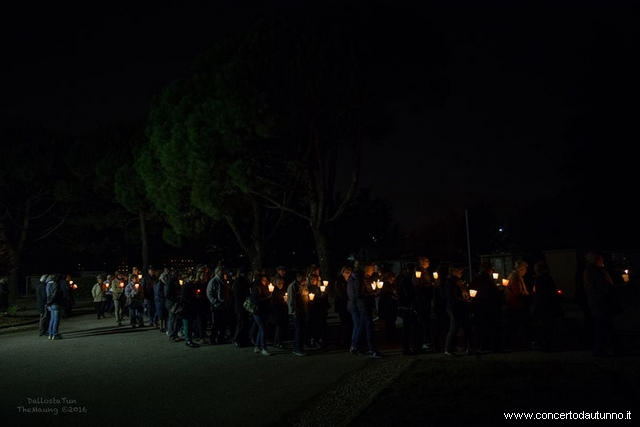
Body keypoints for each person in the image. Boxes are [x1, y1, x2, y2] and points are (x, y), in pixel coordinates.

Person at [583, 251, 621, 356]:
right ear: (595, 260)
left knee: (605, 326)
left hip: (598, 303)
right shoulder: (595, 272)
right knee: (602, 326)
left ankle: (614, 347)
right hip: (601, 303)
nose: (602, 261)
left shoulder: (592, 271)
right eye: (600, 259)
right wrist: (613, 289)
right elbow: (604, 288)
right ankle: (601, 349)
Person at [348, 260, 383, 358]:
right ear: (366, 269)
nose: (373, 269)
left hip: (365, 304)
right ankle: (372, 349)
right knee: (369, 327)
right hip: (363, 305)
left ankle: (355, 346)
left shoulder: (365, 277)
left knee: (363, 326)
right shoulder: (360, 278)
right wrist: (373, 294)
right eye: (371, 267)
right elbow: (359, 294)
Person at [470, 262, 504, 353]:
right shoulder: (487, 280)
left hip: (479, 307)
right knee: (492, 326)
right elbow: (493, 293)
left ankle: (483, 344)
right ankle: (493, 345)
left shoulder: (476, 280)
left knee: (481, 327)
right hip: (489, 307)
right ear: (489, 270)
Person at [530, 261, 564, 352]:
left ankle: (546, 345)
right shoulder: (546, 278)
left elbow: (539, 294)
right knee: (548, 326)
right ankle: (548, 345)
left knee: (545, 327)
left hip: (544, 306)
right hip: (549, 306)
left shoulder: (540, 279)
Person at [444, 264, 475, 356]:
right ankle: (448, 348)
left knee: (467, 327)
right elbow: (452, 297)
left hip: (463, 307)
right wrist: (463, 300)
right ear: (453, 272)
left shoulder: (459, 281)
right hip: (455, 308)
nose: (461, 273)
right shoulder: (449, 282)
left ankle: (469, 348)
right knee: (454, 328)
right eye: (459, 271)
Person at [505, 260, 534, 350]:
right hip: (517, 306)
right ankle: (522, 343)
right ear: (521, 269)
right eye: (525, 269)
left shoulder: (516, 277)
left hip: (516, 305)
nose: (525, 271)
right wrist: (531, 294)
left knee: (516, 325)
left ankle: (515, 343)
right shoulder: (515, 278)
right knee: (522, 324)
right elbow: (518, 293)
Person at [414, 256, 436, 351]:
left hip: (426, 297)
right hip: (422, 298)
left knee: (426, 319)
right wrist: (429, 285)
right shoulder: (418, 271)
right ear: (421, 262)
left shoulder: (427, 271)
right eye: (427, 261)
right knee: (423, 319)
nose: (429, 262)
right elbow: (418, 285)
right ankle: (424, 341)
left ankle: (428, 340)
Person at [397, 263, 420, 355]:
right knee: (409, 327)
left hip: (404, 305)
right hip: (407, 306)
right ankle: (408, 348)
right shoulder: (406, 279)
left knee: (407, 327)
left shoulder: (401, 278)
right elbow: (408, 293)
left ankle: (408, 347)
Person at [207, 266, 232, 345]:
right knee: (216, 323)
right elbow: (209, 293)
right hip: (217, 306)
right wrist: (215, 301)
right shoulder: (213, 281)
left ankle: (221, 338)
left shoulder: (223, 281)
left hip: (224, 305)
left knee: (223, 323)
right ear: (217, 272)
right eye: (221, 271)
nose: (223, 273)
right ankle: (213, 338)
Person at [287, 271, 310, 356]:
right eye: (303, 278)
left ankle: (298, 346)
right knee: (299, 330)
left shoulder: (304, 285)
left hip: (303, 311)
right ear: (298, 278)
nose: (304, 280)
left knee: (302, 329)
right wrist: (294, 311)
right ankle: (297, 348)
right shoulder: (293, 286)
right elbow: (291, 300)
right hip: (296, 313)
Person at [331, 265, 353, 347]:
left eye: (350, 273)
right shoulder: (339, 281)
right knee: (344, 322)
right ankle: (343, 339)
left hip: (348, 303)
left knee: (349, 322)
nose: (348, 274)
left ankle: (348, 338)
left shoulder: (349, 280)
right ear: (342, 272)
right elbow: (340, 294)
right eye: (346, 273)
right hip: (342, 304)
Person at [251, 273, 273, 356]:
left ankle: (257, 346)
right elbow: (255, 300)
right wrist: (266, 298)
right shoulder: (256, 288)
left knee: (261, 329)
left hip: (264, 311)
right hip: (258, 311)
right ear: (260, 280)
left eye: (266, 280)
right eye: (264, 280)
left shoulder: (265, 287)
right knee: (263, 329)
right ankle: (264, 348)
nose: (265, 281)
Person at [231, 268, 252, 347]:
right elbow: (237, 295)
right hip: (240, 305)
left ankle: (244, 339)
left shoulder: (243, 281)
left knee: (246, 323)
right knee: (241, 323)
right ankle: (237, 339)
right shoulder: (238, 282)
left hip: (244, 305)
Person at [377, 271, 398, 343]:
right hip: (388, 308)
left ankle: (390, 338)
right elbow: (387, 295)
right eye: (391, 279)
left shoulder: (390, 285)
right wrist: (394, 297)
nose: (393, 281)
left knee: (390, 323)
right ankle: (390, 338)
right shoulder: (386, 285)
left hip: (388, 307)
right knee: (390, 323)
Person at [179, 276, 200, 348]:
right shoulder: (186, 286)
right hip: (187, 308)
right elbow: (184, 298)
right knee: (187, 325)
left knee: (189, 325)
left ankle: (189, 339)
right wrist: (193, 300)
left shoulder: (191, 286)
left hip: (190, 308)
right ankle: (188, 340)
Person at [270, 275, 289, 349]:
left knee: (281, 328)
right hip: (276, 313)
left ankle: (279, 341)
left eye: (282, 283)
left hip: (282, 312)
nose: (281, 285)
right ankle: (277, 342)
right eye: (279, 283)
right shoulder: (273, 291)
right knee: (278, 328)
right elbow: (273, 303)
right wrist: (283, 303)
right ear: (275, 283)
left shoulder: (282, 290)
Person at [45, 274, 63, 340]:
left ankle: (50, 334)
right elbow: (55, 295)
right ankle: (55, 334)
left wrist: (48, 302)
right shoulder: (55, 284)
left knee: (52, 319)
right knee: (56, 320)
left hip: (50, 303)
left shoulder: (47, 285)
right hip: (55, 303)